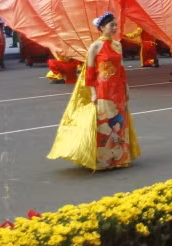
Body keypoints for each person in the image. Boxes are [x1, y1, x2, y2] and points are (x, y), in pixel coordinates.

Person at [49, 12, 141, 170]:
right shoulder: (95, 47)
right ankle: (103, 160)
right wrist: (93, 92)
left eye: (115, 25)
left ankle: (119, 158)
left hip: (117, 89)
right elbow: (90, 73)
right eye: (111, 25)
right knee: (105, 124)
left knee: (120, 122)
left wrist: (126, 88)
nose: (115, 28)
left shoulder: (118, 45)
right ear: (102, 27)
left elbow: (121, 70)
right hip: (103, 90)